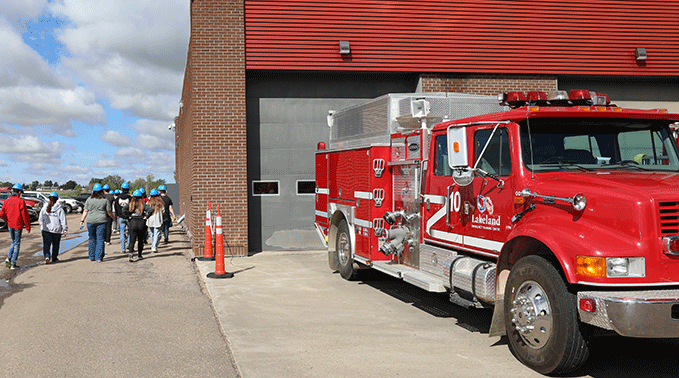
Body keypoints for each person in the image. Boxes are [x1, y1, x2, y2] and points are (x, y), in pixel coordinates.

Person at [0, 184, 31, 270]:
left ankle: (8, 258)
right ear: (19, 192)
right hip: (18, 225)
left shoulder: (6, 201)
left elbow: (1, 213)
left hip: (10, 225)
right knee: (16, 243)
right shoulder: (21, 202)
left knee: (14, 242)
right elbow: (25, 216)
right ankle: (13, 263)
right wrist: (28, 226)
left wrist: (6, 220)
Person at [80, 183, 113, 262]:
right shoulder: (105, 200)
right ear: (101, 191)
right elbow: (109, 211)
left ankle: (92, 256)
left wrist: (82, 220)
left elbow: (85, 211)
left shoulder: (89, 200)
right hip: (102, 221)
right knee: (100, 239)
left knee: (92, 238)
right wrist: (113, 218)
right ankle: (98, 257)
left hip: (90, 221)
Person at [38, 191, 68, 264]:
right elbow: (63, 220)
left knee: (46, 244)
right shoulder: (59, 208)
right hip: (56, 230)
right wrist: (65, 229)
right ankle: (54, 258)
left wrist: (42, 225)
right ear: (57, 199)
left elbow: (40, 218)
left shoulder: (45, 207)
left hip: (46, 230)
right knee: (56, 245)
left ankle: (47, 257)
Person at [123, 190, 152, 262]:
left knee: (132, 240)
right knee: (140, 240)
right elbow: (150, 210)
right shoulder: (142, 204)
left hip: (133, 222)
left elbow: (123, 210)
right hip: (141, 222)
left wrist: (128, 216)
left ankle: (130, 254)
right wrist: (146, 216)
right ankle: (139, 255)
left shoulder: (130, 204)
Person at [114, 182, 132, 253]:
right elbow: (132, 207)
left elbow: (116, 208)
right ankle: (128, 244)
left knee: (122, 233)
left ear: (122, 189)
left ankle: (123, 248)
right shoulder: (130, 198)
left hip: (121, 218)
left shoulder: (118, 198)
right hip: (129, 218)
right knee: (130, 232)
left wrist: (119, 215)